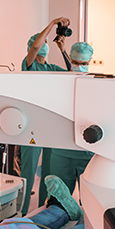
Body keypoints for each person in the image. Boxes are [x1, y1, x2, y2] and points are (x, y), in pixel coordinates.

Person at [18, 18, 70, 215]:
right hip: (31, 123)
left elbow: (72, 73)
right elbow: (35, 47)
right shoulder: (29, 65)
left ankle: (42, 209)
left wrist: (63, 49)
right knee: (28, 170)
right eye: (44, 42)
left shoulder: (51, 68)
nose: (45, 46)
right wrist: (53, 23)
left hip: (49, 123)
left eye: (47, 43)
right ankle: (22, 211)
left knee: (48, 171)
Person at [42, 42, 96, 200]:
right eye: (76, 63)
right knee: (58, 199)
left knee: (89, 201)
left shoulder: (97, 84)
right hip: (61, 151)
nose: (79, 67)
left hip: (87, 153)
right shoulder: (59, 82)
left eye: (83, 63)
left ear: (90, 61)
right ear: (70, 60)